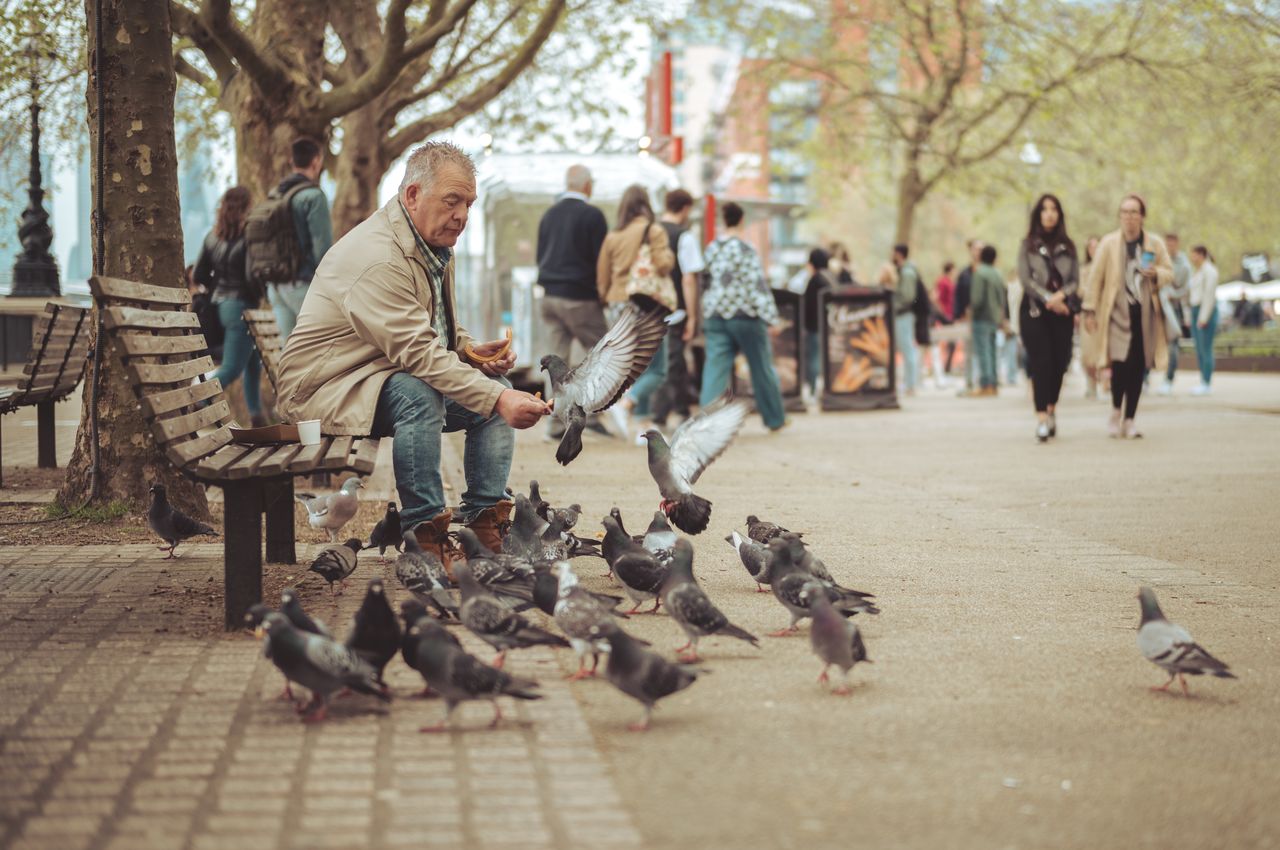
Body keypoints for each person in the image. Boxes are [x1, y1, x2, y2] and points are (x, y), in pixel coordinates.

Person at [275, 141, 550, 568]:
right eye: (452, 201)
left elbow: (429, 328)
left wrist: (469, 351)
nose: (461, 215)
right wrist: (497, 399)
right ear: (413, 195)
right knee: (422, 394)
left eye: (468, 204)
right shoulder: (379, 257)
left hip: (375, 373)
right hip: (324, 388)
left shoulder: (430, 244)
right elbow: (418, 353)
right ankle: (426, 537)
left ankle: (483, 526)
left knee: (494, 389)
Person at [1082, 194, 1173, 439]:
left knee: (1138, 367)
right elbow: (1095, 278)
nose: (1129, 217)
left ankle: (1130, 419)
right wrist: (1089, 309)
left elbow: (1169, 272)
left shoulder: (1154, 243)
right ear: (1119, 216)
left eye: (1134, 212)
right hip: (1116, 314)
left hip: (1144, 316)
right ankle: (1115, 411)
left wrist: (1156, 274)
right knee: (1119, 364)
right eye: (1125, 212)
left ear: (1142, 216)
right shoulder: (1109, 243)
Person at [535, 164, 610, 439]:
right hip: (580, 297)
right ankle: (592, 420)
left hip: (550, 298)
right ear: (588, 185)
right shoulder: (593, 216)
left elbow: (539, 255)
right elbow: (601, 261)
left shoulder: (549, 215)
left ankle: (555, 425)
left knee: (555, 364)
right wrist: (604, 293)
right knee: (605, 355)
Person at [596, 185, 675, 441]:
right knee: (658, 368)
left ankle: (643, 425)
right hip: (646, 304)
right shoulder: (653, 230)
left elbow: (603, 278)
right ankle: (626, 403)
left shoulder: (613, 236)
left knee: (635, 366)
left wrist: (609, 299)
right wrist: (669, 256)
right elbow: (663, 266)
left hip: (617, 305)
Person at [699, 202, 787, 430]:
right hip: (745, 316)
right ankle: (774, 418)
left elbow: (705, 281)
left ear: (723, 220)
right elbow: (757, 285)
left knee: (715, 370)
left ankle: (706, 422)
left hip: (716, 314)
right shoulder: (746, 249)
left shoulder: (711, 249)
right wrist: (771, 317)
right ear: (741, 220)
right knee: (761, 368)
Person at [194, 186, 265, 426]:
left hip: (220, 306)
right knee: (232, 368)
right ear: (246, 208)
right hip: (241, 307)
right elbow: (253, 277)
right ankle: (194, 404)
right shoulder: (250, 236)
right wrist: (259, 292)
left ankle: (257, 418)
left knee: (253, 363)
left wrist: (217, 285)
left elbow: (199, 273)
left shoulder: (212, 236)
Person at [1016, 193, 1079, 442]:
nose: (1049, 213)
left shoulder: (1069, 247)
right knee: (1041, 362)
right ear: (1038, 214)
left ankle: (1052, 408)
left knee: (1059, 363)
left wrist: (1062, 296)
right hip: (1034, 311)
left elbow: (1075, 281)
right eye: (1044, 209)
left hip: (1062, 312)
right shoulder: (1027, 244)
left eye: (1054, 209)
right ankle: (1041, 417)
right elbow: (1025, 278)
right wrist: (1048, 299)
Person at [268, 136, 333, 340]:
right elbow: (322, 252)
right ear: (316, 161)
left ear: (292, 162)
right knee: (325, 345)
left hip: (275, 286)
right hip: (301, 285)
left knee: (289, 355)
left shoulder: (275, 194)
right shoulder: (314, 196)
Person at [652, 189, 706, 427]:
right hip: (674, 310)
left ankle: (671, 409)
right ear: (685, 208)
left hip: (648, 309)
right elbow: (689, 278)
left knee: (659, 360)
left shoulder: (650, 232)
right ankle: (665, 412)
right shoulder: (685, 236)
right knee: (673, 360)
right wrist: (693, 316)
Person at [1157, 232, 1193, 395]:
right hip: (1156, 305)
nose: (1169, 247)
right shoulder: (1158, 260)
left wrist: (1173, 294)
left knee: (1173, 345)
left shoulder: (1184, 264)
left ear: (1177, 244)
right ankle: (1144, 378)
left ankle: (1168, 379)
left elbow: (1185, 288)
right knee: (1148, 341)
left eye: (1172, 244)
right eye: (1167, 244)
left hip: (1173, 307)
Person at [970, 245, 1006, 396]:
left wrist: (972, 312)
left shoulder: (980, 273)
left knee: (983, 352)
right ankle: (994, 383)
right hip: (994, 317)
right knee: (992, 351)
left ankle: (986, 385)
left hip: (981, 317)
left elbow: (977, 299)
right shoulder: (997, 273)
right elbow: (1002, 296)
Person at [802, 247, 834, 398]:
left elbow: (807, 305)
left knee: (813, 358)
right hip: (828, 326)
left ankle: (813, 390)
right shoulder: (830, 277)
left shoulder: (815, 280)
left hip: (814, 326)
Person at [1188, 245, 1220, 395]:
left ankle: (1206, 382)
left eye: (1193, 255)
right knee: (1199, 349)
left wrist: (1203, 317)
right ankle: (1203, 380)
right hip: (1195, 310)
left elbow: (1209, 296)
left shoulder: (1210, 271)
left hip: (1204, 311)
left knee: (1206, 349)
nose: (1191, 258)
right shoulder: (1198, 271)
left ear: (1201, 255)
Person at [890, 244, 921, 395]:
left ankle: (911, 384)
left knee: (907, 349)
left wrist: (894, 305)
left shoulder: (907, 273)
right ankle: (909, 383)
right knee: (906, 349)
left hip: (904, 315)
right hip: (902, 314)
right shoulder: (904, 271)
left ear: (899, 254)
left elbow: (908, 297)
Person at [952, 239, 982, 392]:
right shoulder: (965, 273)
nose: (977, 252)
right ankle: (969, 381)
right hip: (967, 317)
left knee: (983, 350)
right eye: (975, 249)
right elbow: (958, 295)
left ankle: (983, 382)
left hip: (984, 317)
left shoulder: (989, 271)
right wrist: (959, 314)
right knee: (969, 350)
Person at [1078, 236, 1103, 400]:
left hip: (1105, 314)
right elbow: (1080, 291)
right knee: (1087, 353)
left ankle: (1107, 384)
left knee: (1104, 350)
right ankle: (1091, 384)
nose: (1094, 250)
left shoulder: (1109, 269)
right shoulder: (1083, 270)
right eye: (1091, 247)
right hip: (1087, 313)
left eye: (1097, 246)